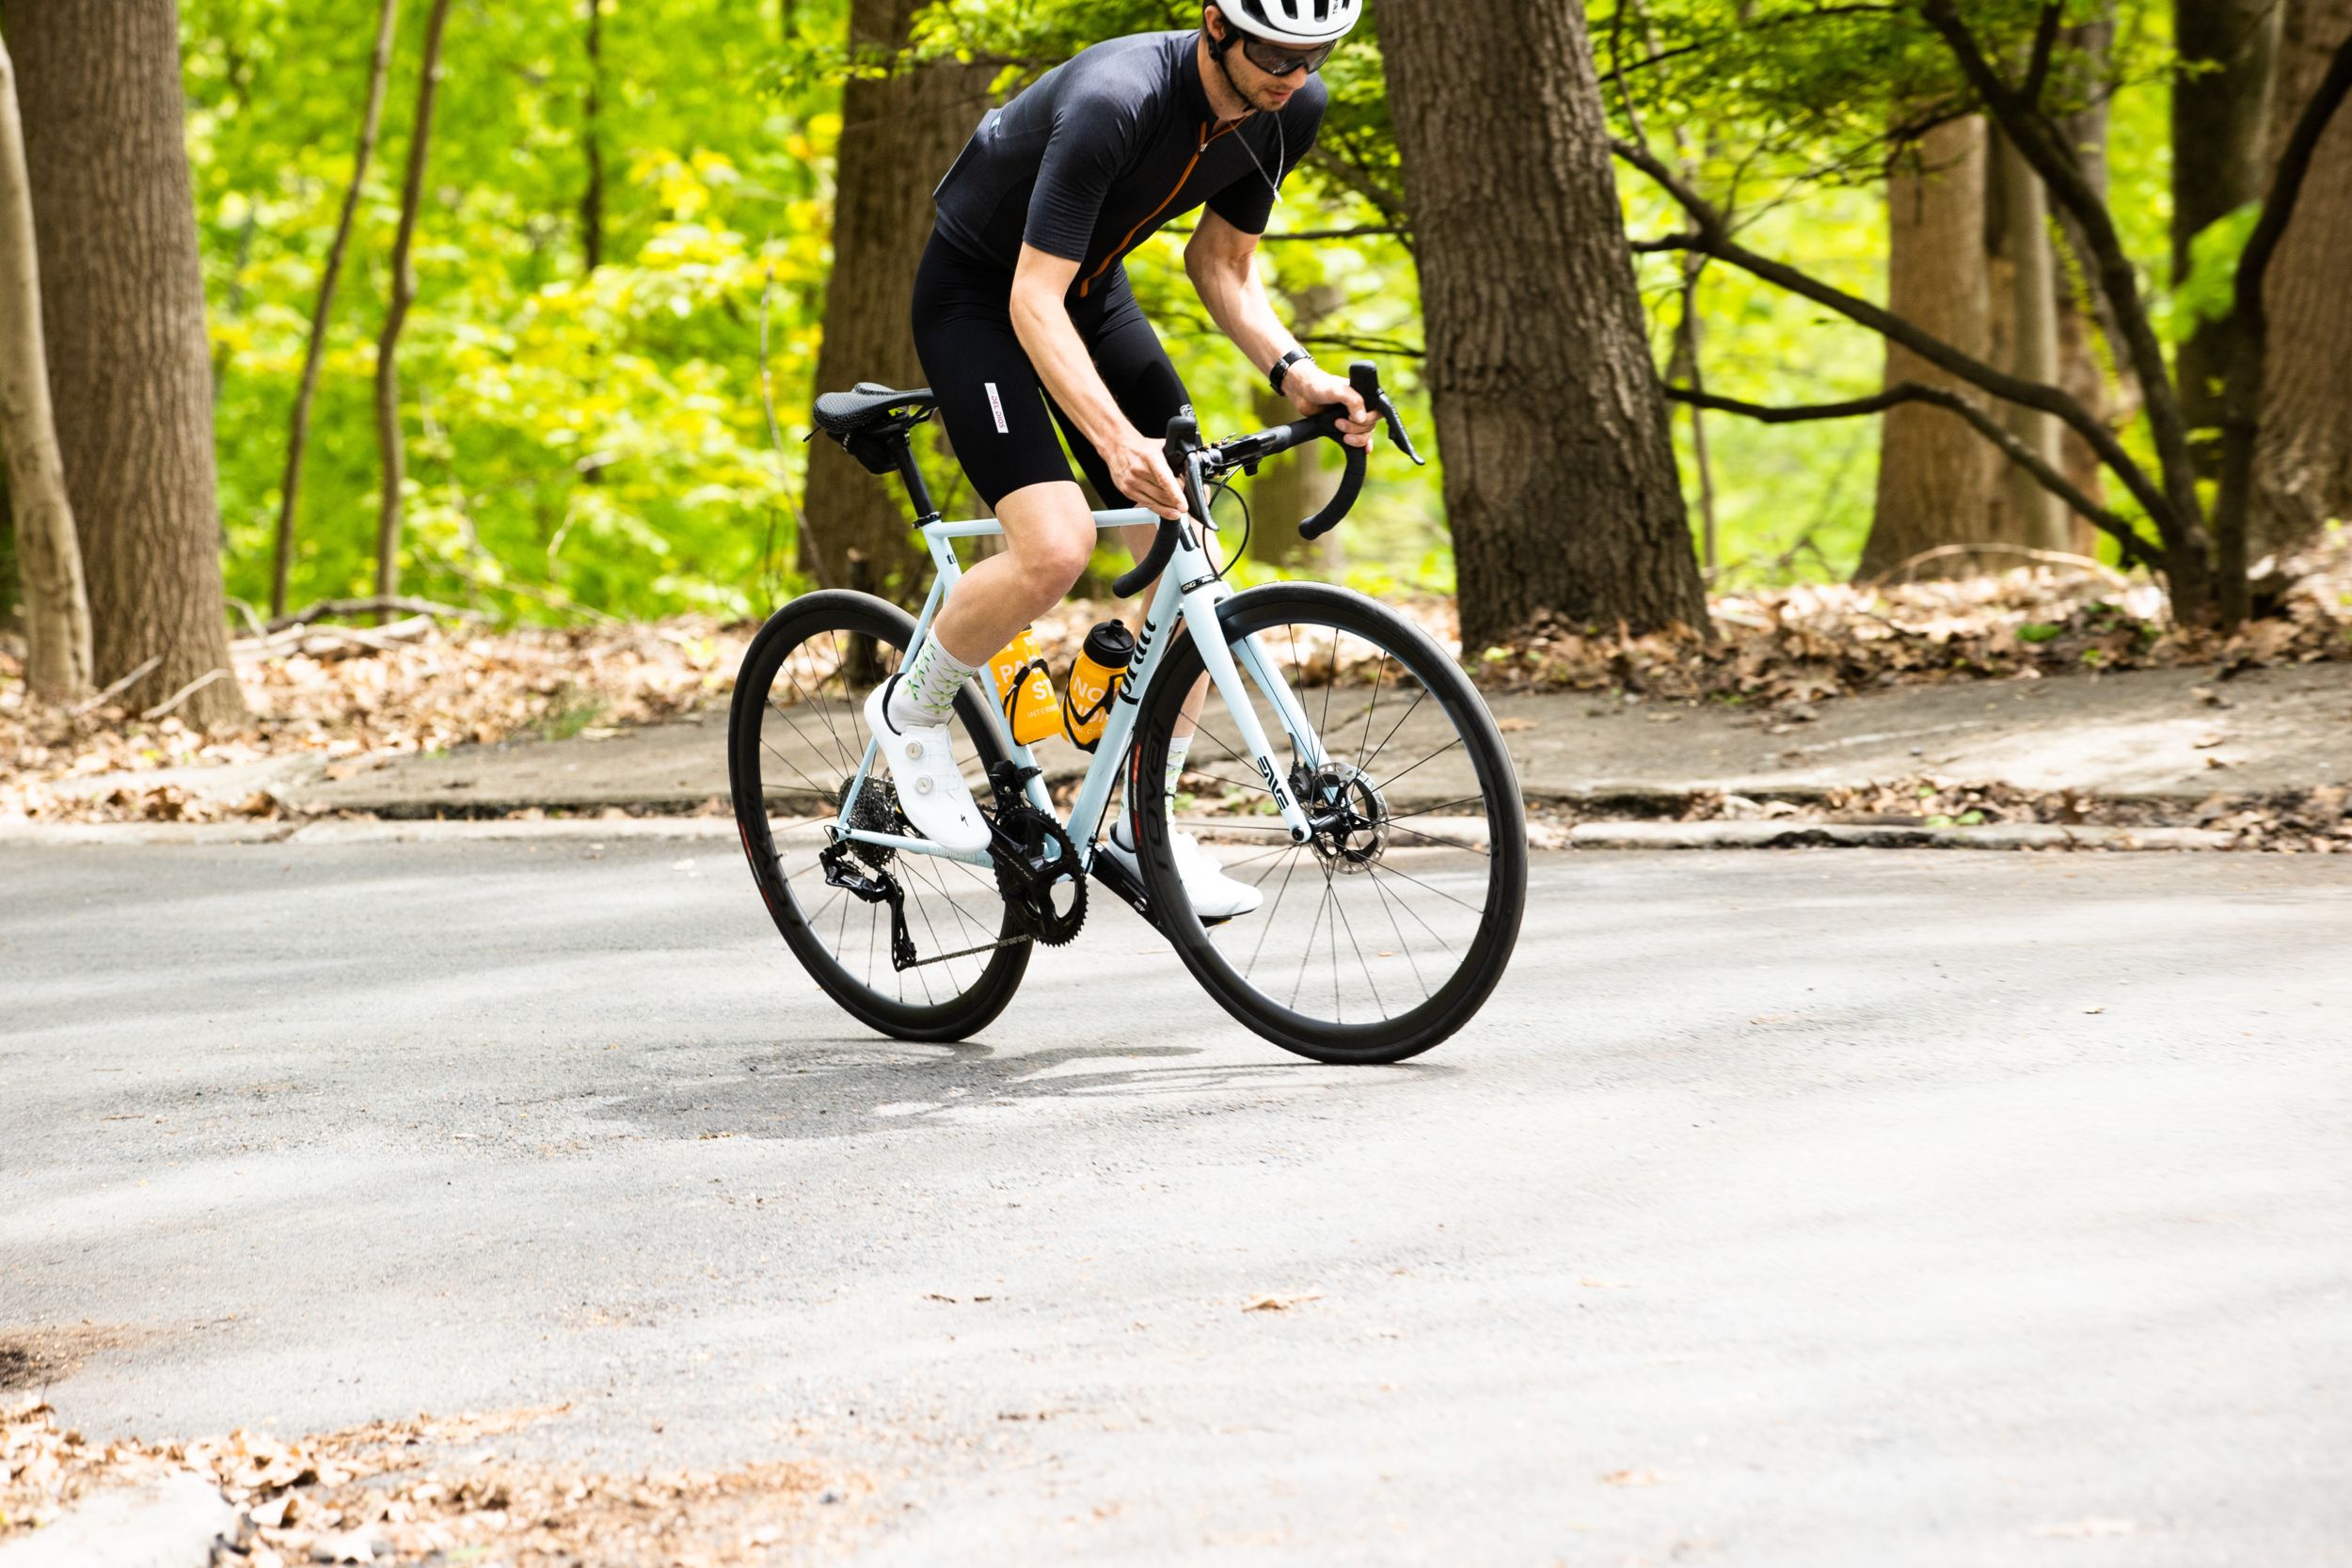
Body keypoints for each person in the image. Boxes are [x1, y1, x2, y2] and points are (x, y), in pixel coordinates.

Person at [860, 0, 1378, 920]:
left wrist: (1298, 375)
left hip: (1090, 295)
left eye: (1315, 54)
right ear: (1217, 24)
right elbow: (1029, 298)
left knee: (1198, 537)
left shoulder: (1289, 108)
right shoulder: (1117, 99)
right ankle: (911, 710)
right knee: (1053, 546)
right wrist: (1111, 440)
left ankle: (1145, 817)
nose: (1292, 75)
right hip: (982, 297)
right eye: (1274, 51)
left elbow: (1221, 261)